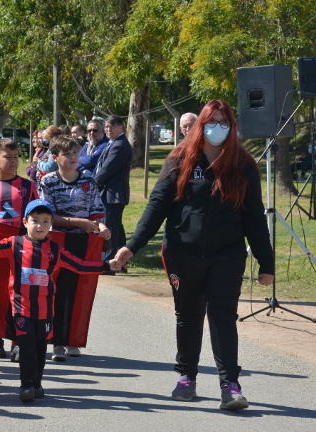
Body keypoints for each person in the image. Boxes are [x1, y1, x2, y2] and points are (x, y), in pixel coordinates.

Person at [115, 100, 274, 411]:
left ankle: (230, 385)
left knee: (223, 315)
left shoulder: (243, 165)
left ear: (233, 127)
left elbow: (254, 216)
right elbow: (157, 205)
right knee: (188, 316)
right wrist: (132, 245)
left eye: (224, 122)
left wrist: (265, 263)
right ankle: (186, 377)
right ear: (201, 123)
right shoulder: (179, 159)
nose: (218, 127)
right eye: (212, 120)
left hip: (226, 255)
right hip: (182, 253)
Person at [0, 199, 121, 402]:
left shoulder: (55, 249)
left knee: (40, 349)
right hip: (21, 308)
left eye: (45, 221)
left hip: (45, 310)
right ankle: (26, 385)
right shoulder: (13, 243)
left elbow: (79, 265)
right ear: (25, 222)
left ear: (51, 224)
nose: (40, 225)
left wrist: (106, 266)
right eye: (35, 220)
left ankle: (37, 384)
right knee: (26, 347)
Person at [38, 136, 111, 360]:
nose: (73, 157)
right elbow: (46, 216)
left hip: (83, 242)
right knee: (57, 292)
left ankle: (73, 340)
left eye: (76, 153)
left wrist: (102, 227)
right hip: (57, 242)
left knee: (78, 292)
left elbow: (97, 210)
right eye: (67, 154)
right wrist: (75, 222)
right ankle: (57, 342)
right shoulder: (48, 181)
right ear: (54, 157)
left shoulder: (88, 179)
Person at [0, 138, 39, 359]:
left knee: (20, 295)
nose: (13, 161)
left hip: (22, 249)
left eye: (16, 157)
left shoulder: (28, 186)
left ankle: (18, 341)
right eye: (8, 157)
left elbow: (37, 218)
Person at [94, 115, 132, 273]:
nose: (108, 130)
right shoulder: (114, 143)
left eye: (112, 127)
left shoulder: (120, 145)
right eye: (107, 127)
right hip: (110, 193)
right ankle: (121, 263)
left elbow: (106, 170)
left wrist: (90, 184)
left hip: (113, 194)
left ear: (121, 128)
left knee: (111, 229)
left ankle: (110, 265)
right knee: (117, 229)